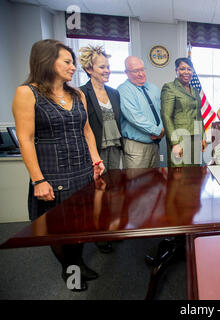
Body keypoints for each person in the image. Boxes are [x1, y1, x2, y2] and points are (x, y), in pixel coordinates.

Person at [11, 39, 105, 291]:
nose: (73, 67)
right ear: (46, 61)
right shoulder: (27, 93)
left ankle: (78, 262)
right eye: (67, 61)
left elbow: (87, 131)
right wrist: (38, 180)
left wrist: (96, 160)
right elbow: (25, 138)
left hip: (83, 169)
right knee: (59, 228)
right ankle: (70, 270)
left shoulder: (77, 94)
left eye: (73, 62)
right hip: (52, 172)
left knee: (82, 223)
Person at [79, 45, 122, 254]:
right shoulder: (81, 93)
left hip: (115, 146)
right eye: (102, 67)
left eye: (108, 67)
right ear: (89, 69)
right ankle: (98, 233)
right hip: (96, 150)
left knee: (113, 191)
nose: (107, 70)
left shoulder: (114, 93)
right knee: (98, 193)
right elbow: (84, 127)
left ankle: (111, 228)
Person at [117, 56, 164, 168]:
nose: (141, 74)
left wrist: (163, 130)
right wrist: (158, 131)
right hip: (136, 148)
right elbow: (135, 117)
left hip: (155, 145)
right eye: (135, 71)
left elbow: (163, 112)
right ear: (126, 73)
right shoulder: (123, 90)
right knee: (136, 183)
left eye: (142, 69)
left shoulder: (154, 88)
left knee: (154, 181)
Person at [161, 57, 206, 167]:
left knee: (194, 174)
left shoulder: (195, 90)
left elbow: (198, 115)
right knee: (179, 175)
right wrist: (175, 143)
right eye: (182, 69)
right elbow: (166, 116)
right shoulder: (170, 88)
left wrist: (202, 137)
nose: (186, 72)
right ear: (176, 70)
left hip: (195, 137)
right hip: (179, 138)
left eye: (189, 69)